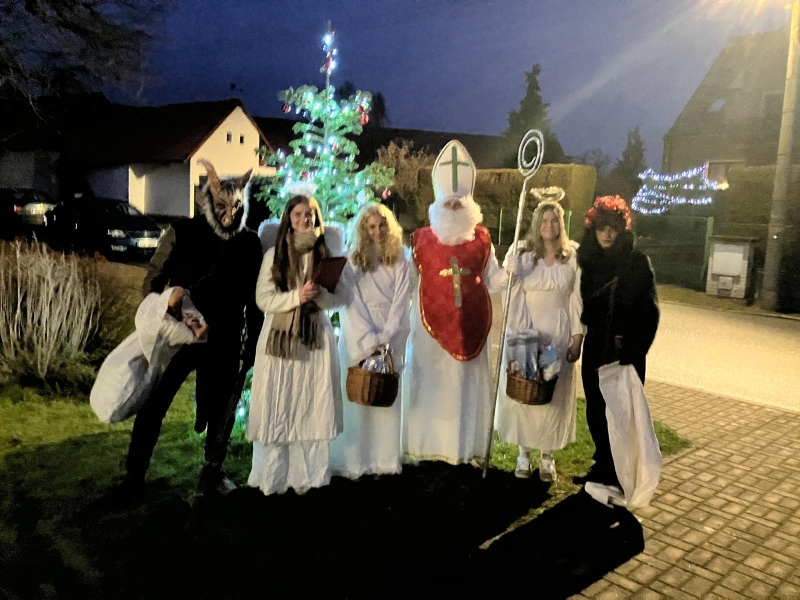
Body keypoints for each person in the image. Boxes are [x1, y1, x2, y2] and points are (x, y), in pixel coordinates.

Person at [117, 160, 263, 500]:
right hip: (178, 337)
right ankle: (133, 478)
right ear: (208, 201)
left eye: (236, 206)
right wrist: (165, 305)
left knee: (221, 412)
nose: (230, 214)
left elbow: (255, 299)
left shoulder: (249, 243)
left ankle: (212, 474)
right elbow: (152, 282)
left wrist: (252, 342)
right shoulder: (181, 232)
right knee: (154, 405)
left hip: (225, 338)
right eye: (222, 205)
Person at [402, 140, 506, 466]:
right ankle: (427, 446)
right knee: (432, 387)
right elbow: (406, 282)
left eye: (459, 203)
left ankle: (464, 448)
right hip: (428, 329)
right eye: (448, 203)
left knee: (464, 390)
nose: (454, 208)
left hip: (472, 326)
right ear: (437, 203)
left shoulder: (483, 240)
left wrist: (513, 270)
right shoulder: (419, 240)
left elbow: (493, 279)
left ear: (470, 204)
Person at [247, 195, 349, 496]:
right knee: (280, 403)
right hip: (280, 341)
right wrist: (296, 297)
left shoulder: (326, 253)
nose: (304, 219)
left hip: (315, 339)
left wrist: (320, 297)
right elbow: (263, 299)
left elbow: (343, 297)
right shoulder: (275, 254)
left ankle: (310, 477)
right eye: (298, 214)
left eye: (310, 214)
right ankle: (275, 477)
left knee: (311, 405)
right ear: (289, 219)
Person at [496, 189, 585, 482]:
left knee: (552, 395)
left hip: (558, 332)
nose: (549, 225)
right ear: (536, 223)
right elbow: (503, 287)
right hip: (527, 330)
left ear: (561, 223)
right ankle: (523, 453)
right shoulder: (522, 252)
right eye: (544, 220)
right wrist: (508, 271)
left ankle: (547, 457)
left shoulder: (571, 256)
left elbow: (576, 298)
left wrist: (577, 336)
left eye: (554, 220)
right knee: (525, 391)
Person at [577, 195, 659, 488]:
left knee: (622, 413)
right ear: (593, 228)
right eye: (601, 228)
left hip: (625, 349)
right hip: (596, 345)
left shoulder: (637, 262)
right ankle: (602, 463)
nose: (607, 234)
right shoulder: (587, 262)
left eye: (613, 228)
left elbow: (650, 312)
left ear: (622, 229)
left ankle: (620, 470)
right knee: (595, 408)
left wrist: (634, 350)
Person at [329, 203, 411, 479]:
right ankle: (355, 460)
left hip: (390, 331)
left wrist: (386, 336)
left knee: (384, 396)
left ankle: (383, 460)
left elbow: (401, 300)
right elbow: (351, 300)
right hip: (358, 331)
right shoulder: (352, 258)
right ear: (363, 230)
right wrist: (368, 338)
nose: (377, 231)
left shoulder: (400, 257)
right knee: (357, 396)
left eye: (382, 225)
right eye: (371, 227)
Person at [91, 287, 207, 424]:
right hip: (150, 362)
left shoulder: (152, 309)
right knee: (137, 386)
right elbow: (198, 335)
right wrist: (197, 323)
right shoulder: (169, 327)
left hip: (139, 353)